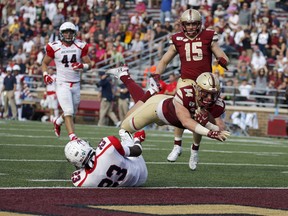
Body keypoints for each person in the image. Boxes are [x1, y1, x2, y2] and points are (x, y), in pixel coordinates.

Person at [106, 67, 230, 171]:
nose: (209, 98)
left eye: (213, 95)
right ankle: (146, 89)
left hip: (169, 114)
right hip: (156, 109)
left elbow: (221, 129)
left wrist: (210, 125)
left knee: (136, 108)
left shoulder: (217, 104)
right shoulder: (185, 94)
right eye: (205, 93)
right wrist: (209, 130)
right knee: (124, 128)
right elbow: (185, 121)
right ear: (197, 89)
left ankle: (147, 89)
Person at [152, 9, 229, 170]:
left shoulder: (208, 36)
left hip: (204, 84)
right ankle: (177, 145)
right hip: (186, 81)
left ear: (199, 24)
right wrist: (157, 74)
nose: (192, 26)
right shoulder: (178, 39)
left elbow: (221, 55)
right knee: (181, 111)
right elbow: (165, 60)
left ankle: (194, 150)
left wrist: (222, 60)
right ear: (182, 25)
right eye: (188, 23)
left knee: (200, 116)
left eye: (194, 23)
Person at [41, 22, 92, 141]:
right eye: (66, 32)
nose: (68, 34)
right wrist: (45, 74)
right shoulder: (54, 46)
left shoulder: (80, 46)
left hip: (76, 84)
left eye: (70, 32)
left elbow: (89, 64)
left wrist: (82, 65)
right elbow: (44, 63)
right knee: (68, 111)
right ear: (61, 33)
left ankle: (58, 121)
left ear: (74, 33)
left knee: (72, 112)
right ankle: (73, 138)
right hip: (62, 83)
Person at [64, 129, 147, 187]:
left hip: (131, 183)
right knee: (123, 132)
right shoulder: (107, 145)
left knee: (117, 153)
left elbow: (80, 169)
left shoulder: (81, 180)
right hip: (140, 169)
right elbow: (137, 151)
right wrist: (137, 139)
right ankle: (136, 138)